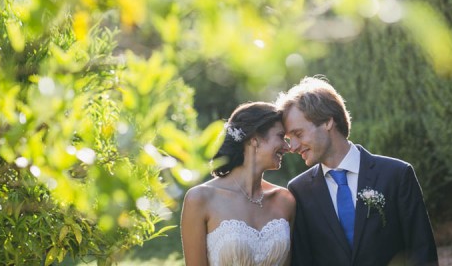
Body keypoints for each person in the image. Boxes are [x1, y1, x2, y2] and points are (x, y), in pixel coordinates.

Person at [276, 76, 438, 266]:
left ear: (328, 122)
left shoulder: (397, 175)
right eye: (288, 138)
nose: (292, 147)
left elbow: (422, 251)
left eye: (298, 134)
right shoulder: (299, 190)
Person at [180, 101, 294, 266]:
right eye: (281, 137)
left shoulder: (285, 200)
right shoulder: (200, 199)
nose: (288, 147)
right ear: (255, 139)